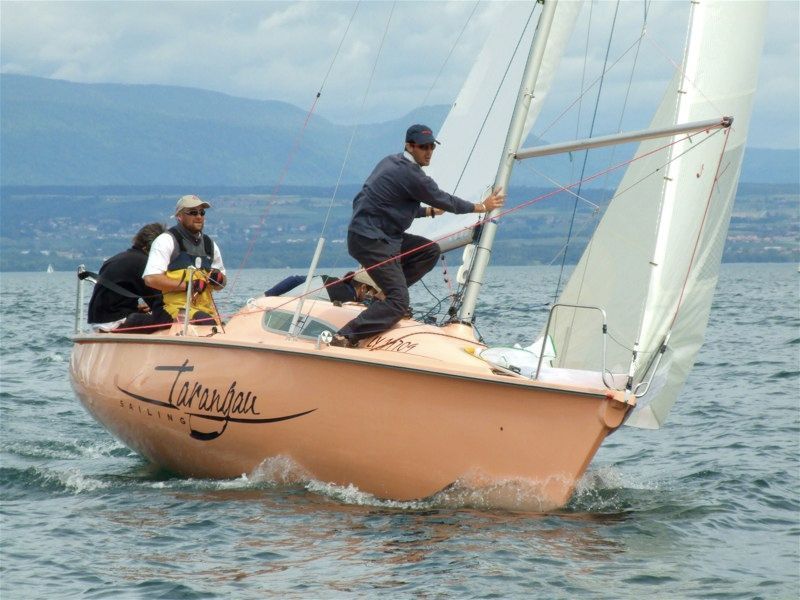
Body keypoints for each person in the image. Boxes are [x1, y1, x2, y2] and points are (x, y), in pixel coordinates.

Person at [331, 123, 505, 348]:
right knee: (399, 302)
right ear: (410, 146)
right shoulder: (411, 175)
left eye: (432, 146)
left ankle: (383, 297)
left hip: (378, 236)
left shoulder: (390, 162)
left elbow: (389, 205)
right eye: (423, 147)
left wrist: (428, 211)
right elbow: (445, 200)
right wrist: (481, 206)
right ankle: (346, 336)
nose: (429, 152)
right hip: (372, 241)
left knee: (428, 251)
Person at [143, 195, 227, 326]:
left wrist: (219, 279)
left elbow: (221, 285)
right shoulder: (166, 241)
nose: (199, 216)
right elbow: (151, 279)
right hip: (174, 308)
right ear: (179, 216)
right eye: (193, 212)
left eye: (202, 212)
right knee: (206, 322)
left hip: (206, 311)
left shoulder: (210, 244)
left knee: (222, 326)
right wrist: (188, 286)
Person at [88, 222, 172, 333]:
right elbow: (159, 303)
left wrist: (138, 308)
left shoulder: (118, 258)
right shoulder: (144, 263)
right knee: (169, 318)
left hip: (99, 321)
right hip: (116, 321)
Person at [264, 270, 384, 304]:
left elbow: (293, 279)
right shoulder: (349, 301)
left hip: (276, 303)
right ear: (363, 288)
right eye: (373, 292)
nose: (373, 295)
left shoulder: (326, 278)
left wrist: (266, 296)